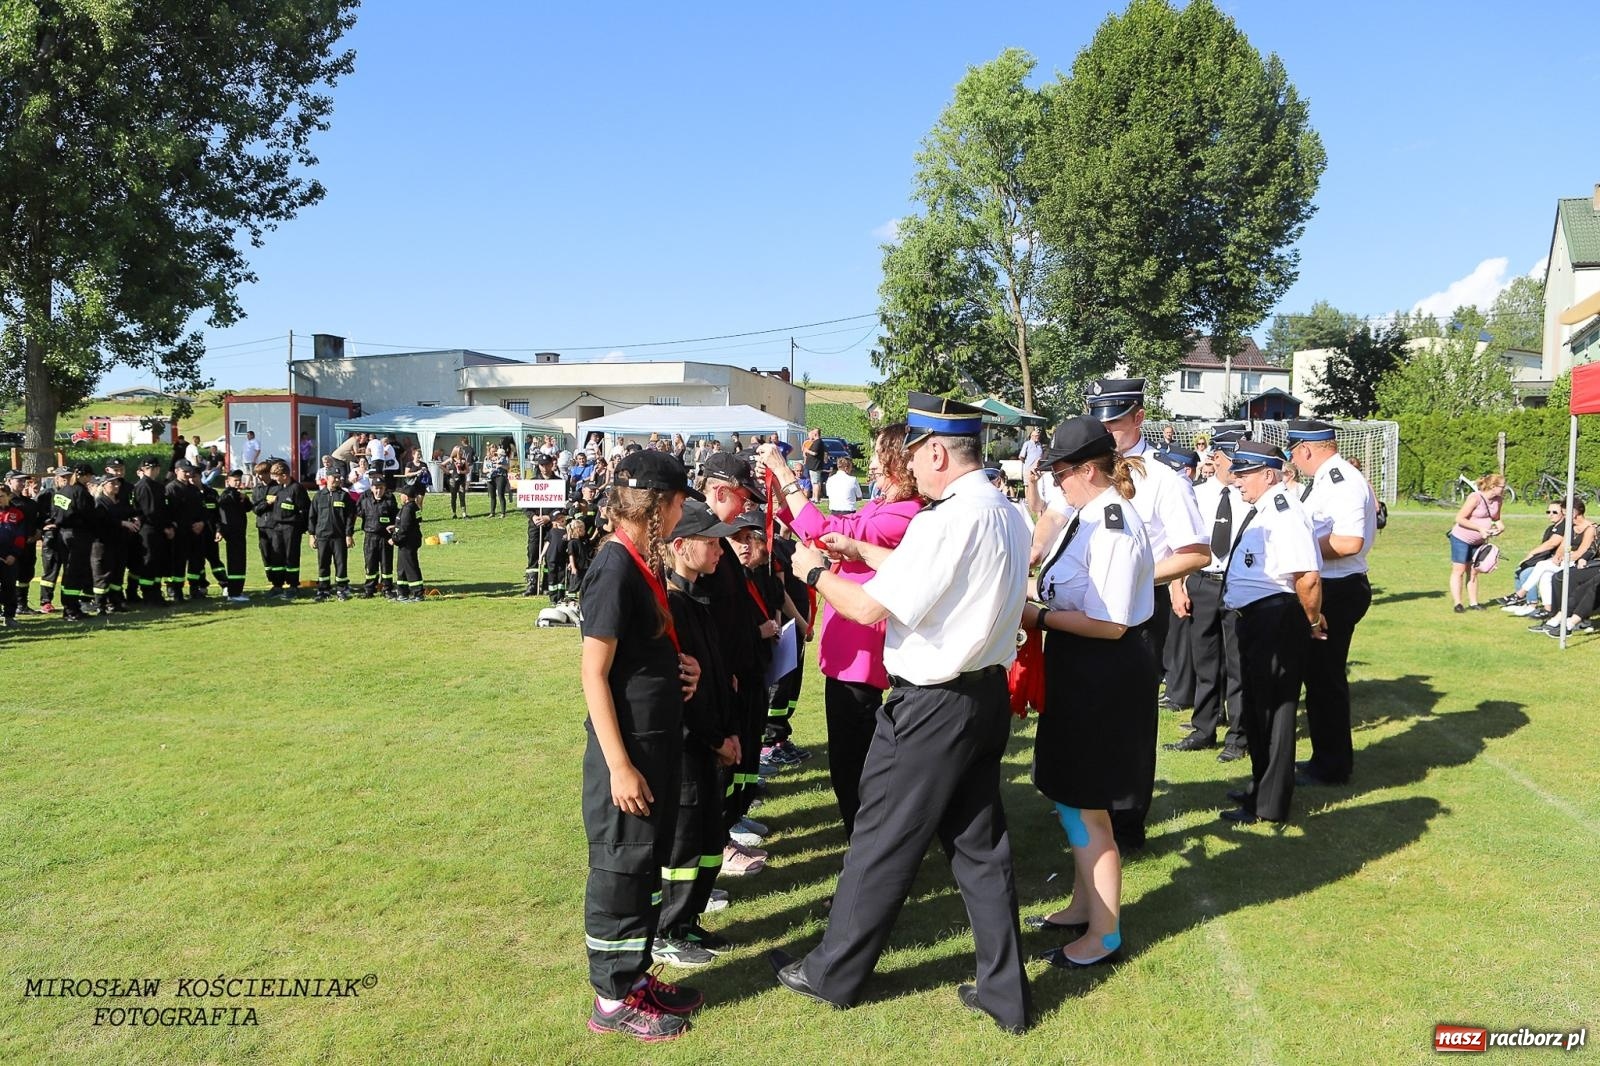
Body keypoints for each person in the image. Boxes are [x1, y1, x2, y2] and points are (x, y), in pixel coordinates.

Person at [769, 392, 1032, 1036]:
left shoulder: (945, 521)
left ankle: (834, 972)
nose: (910, 466)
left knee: (880, 837)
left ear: (937, 451)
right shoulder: (1004, 512)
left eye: (915, 453)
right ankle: (1005, 990)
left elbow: (865, 611)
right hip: (982, 697)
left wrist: (812, 570)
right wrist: (863, 557)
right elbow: (937, 579)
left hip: (932, 704)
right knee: (979, 848)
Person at [1032, 378, 1208, 852]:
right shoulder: (1083, 497)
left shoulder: (1161, 480)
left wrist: (1130, 580)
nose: (1109, 426)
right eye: (1101, 419)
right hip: (1085, 620)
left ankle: (1121, 826)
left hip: (1123, 621)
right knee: (1085, 754)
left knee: (1120, 743)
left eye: (1115, 418)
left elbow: (1195, 553)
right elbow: (1053, 521)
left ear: (1138, 417)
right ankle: (1091, 823)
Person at [578, 449, 704, 1041]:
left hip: (654, 747)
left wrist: (680, 671)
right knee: (620, 872)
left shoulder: (640, 561)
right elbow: (593, 674)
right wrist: (620, 765)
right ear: (659, 507)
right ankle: (611, 999)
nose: (684, 516)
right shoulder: (613, 566)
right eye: (681, 504)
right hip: (625, 757)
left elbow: (637, 656)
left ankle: (634, 977)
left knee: (644, 871)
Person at [1024, 416, 1156, 968]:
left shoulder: (1112, 525)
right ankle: (1084, 905)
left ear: (1084, 470)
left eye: (1058, 471)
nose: (1054, 482)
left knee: (1088, 805)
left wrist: (1038, 616)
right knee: (1072, 795)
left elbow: (1111, 623)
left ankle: (1103, 936)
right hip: (1081, 667)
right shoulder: (1088, 514)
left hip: (1104, 671)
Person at [752, 426, 923, 837]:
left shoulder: (905, 512)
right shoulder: (885, 504)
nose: (875, 465)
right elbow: (826, 527)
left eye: (882, 456)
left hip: (862, 653)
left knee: (853, 762)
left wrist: (786, 474)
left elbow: (827, 532)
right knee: (850, 758)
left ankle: (865, 849)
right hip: (850, 648)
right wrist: (779, 491)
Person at [653, 500, 742, 967]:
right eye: (711, 542)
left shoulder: (696, 599)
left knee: (709, 840)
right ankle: (668, 930)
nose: (721, 550)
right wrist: (714, 739)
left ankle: (688, 923)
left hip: (713, 744)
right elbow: (683, 694)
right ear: (682, 547)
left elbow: (712, 677)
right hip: (690, 750)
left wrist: (729, 732)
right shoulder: (670, 605)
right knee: (684, 845)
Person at [1218, 441, 1324, 826]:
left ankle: (1270, 802)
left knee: (1274, 713)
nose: (1237, 481)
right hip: (1256, 619)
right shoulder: (1264, 509)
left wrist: (1311, 621)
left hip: (1275, 619)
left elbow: (1308, 577)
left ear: (1268, 474)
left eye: (1244, 474)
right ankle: (1260, 788)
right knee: (1258, 709)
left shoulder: (1284, 512)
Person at [1285, 419, 1378, 789]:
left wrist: (1299, 551)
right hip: (1333, 585)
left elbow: (1349, 541)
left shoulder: (1340, 480)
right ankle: (1326, 759)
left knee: (1325, 680)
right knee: (1319, 678)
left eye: (1294, 451)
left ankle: (1333, 766)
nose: (1293, 459)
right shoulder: (1327, 478)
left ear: (1305, 449)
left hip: (1338, 589)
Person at [1168, 431, 1249, 760]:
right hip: (1202, 581)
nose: (1218, 463)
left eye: (1225, 458)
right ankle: (1204, 728)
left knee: (1236, 663)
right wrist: (1177, 585)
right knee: (1204, 659)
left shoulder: (1248, 496)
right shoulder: (1198, 495)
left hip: (1235, 583)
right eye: (1217, 457)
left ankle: (1238, 737)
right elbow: (1181, 543)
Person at [1447, 473, 1505, 612]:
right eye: (1502, 486)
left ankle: (1474, 603)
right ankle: (1458, 604)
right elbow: (1460, 518)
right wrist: (1480, 528)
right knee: (1459, 570)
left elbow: (1496, 517)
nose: (1504, 489)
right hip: (1461, 538)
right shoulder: (1475, 498)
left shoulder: (1498, 500)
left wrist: (1500, 526)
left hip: (1479, 541)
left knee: (1473, 571)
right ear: (1493, 486)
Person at [48, 463, 97, 621]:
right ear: (85, 476)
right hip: (78, 536)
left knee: (68, 572)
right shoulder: (81, 492)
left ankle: (69, 607)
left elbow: (55, 513)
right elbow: (89, 515)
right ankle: (71, 609)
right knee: (75, 573)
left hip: (63, 535)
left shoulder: (62, 491)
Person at [90, 476, 137, 614]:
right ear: (104, 486)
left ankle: (115, 602)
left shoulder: (119, 501)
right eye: (113, 483)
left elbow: (130, 512)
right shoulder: (100, 502)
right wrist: (122, 523)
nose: (116, 486)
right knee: (103, 574)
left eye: (118, 483)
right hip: (103, 544)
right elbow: (102, 522)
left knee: (118, 573)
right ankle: (100, 604)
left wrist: (135, 518)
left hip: (120, 542)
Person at [309, 471, 356, 601]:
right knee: (323, 563)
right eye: (334, 477)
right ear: (327, 478)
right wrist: (312, 535)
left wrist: (348, 535)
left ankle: (342, 589)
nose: (337, 479)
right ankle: (323, 589)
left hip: (339, 536)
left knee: (341, 563)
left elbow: (350, 518)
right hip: (323, 536)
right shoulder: (319, 496)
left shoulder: (344, 496)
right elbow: (312, 517)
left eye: (338, 477)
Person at [269, 460, 309, 600]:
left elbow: (304, 510)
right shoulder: (278, 488)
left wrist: (302, 528)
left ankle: (293, 586)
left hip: (291, 528)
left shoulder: (296, 488)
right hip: (277, 527)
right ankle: (277, 585)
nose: (274, 479)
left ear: (284, 475)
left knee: (291, 556)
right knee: (277, 556)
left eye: (276, 476)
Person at [357, 475, 398, 598]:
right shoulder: (365, 500)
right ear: (371, 488)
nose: (378, 490)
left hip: (385, 538)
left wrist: (394, 533)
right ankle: (370, 588)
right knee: (370, 564)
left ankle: (387, 588)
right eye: (376, 488)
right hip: (370, 536)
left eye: (381, 488)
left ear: (385, 488)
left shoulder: (390, 501)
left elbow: (397, 518)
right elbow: (358, 511)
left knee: (386, 564)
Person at [216, 469, 251, 603]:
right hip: (233, 534)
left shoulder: (238, 495)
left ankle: (237, 591)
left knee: (240, 563)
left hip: (240, 533)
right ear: (228, 481)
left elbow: (249, 508)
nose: (237, 483)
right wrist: (222, 531)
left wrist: (245, 498)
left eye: (239, 480)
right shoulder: (226, 496)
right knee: (236, 563)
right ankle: (234, 593)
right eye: (235, 480)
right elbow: (222, 515)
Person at [390, 482, 427, 602]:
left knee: (411, 567)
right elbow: (410, 524)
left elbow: (405, 528)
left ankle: (418, 593)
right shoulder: (414, 507)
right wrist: (394, 526)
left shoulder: (408, 509)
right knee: (402, 568)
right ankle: (402, 592)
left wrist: (394, 538)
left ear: (406, 496)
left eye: (401, 494)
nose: (400, 496)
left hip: (407, 543)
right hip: (407, 543)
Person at [0, 479, 25, 627]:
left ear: (8, 496)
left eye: (2, 496)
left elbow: (20, 537)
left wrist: (13, 555)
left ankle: (9, 616)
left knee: (9, 586)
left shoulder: (17, 514)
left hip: (10, 557)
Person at [1018, 426, 1044, 516]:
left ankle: (1035, 502)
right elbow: (1021, 456)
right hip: (1028, 468)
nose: (1037, 437)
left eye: (1038, 436)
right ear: (1032, 436)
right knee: (1027, 485)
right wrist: (1026, 464)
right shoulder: (1027, 444)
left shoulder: (1040, 445)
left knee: (1037, 485)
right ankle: (1028, 502)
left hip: (1038, 469)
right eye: (1036, 436)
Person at [801, 427, 827, 503]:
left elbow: (814, 453)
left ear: (815, 434)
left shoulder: (818, 442)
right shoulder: (817, 442)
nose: (811, 435)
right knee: (814, 482)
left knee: (816, 482)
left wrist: (807, 450)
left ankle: (816, 498)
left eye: (812, 434)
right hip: (814, 466)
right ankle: (814, 497)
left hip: (815, 466)